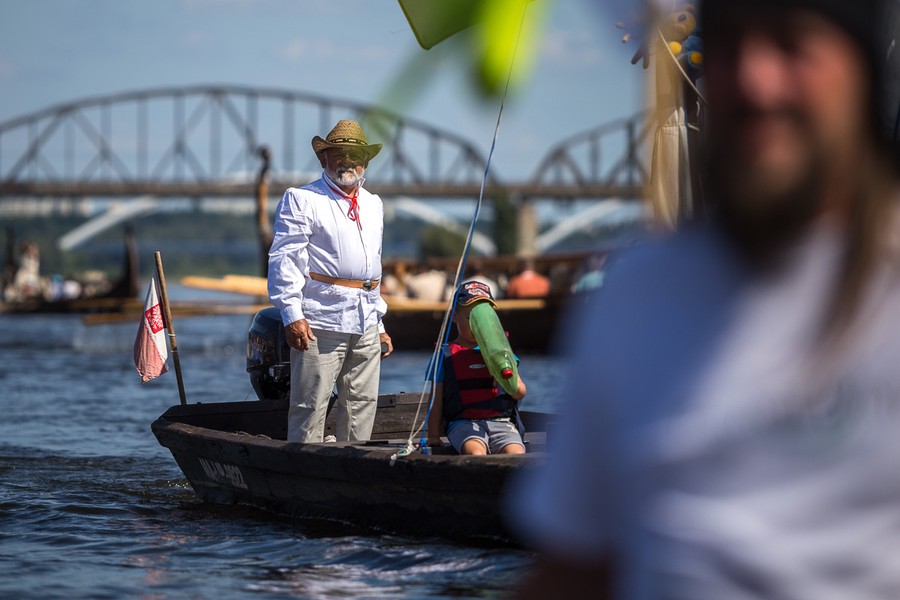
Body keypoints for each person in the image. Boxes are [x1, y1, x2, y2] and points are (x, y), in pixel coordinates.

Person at [510, 0, 900, 598]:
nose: (753, 81)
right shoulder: (637, 292)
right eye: (727, 47)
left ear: (866, 72)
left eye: (792, 44)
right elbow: (574, 574)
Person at [268, 119, 393, 443]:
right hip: (321, 318)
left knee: (362, 405)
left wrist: (379, 323)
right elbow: (285, 258)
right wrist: (292, 315)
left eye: (355, 155)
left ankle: (352, 477)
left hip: (365, 318)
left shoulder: (374, 204)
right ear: (325, 159)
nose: (347, 162)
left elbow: (372, 267)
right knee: (310, 405)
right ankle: (301, 479)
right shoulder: (303, 198)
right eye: (339, 154)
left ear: (365, 162)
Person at [427, 281, 527, 455]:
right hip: (463, 423)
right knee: (476, 453)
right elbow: (436, 400)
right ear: (454, 316)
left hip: (501, 422)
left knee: (516, 453)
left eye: (484, 320)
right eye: (470, 318)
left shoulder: (503, 353)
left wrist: (504, 376)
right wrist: (433, 436)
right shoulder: (445, 355)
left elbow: (519, 392)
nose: (477, 326)